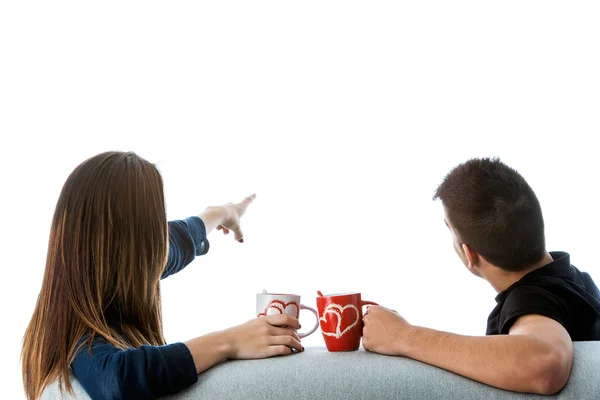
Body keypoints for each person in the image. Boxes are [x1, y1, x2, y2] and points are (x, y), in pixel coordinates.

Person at [21, 152, 303, 400]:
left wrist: (221, 213)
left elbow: (180, 239)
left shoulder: (110, 271)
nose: (162, 238)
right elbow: (116, 380)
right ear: (132, 241)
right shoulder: (80, 329)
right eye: (155, 225)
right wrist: (229, 341)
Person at [362, 157, 600, 395]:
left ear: (469, 254)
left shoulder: (531, 301)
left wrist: (403, 336)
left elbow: (545, 362)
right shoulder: (576, 281)